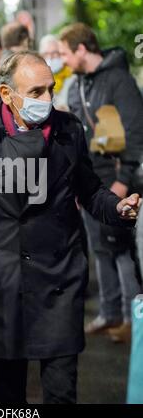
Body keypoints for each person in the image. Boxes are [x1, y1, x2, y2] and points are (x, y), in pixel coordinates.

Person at [0, 50, 141, 404]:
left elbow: (91, 191)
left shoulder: (69, 131)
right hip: (4, 288)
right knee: (9, 398)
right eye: (36, 92)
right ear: (7, 95)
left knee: (62, 393)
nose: (48, 100)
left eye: (50, 89)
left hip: (61, 281)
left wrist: (118, 207)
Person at [59, 23, 143, 341]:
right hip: (93, 180)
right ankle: (110, 314)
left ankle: (133, 319)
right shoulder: (81, 83)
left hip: (117, 180)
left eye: (66, 52)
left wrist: (123, 180)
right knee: (101, 249)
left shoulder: (118, 80)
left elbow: (135, 131)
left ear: (81, 49)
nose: (64, 60)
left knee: (122, 250)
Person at [39, 34, 75, 110]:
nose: (50, 58)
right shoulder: (38, 80)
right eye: (46, 54)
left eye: (54, 53)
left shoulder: (72, 76)